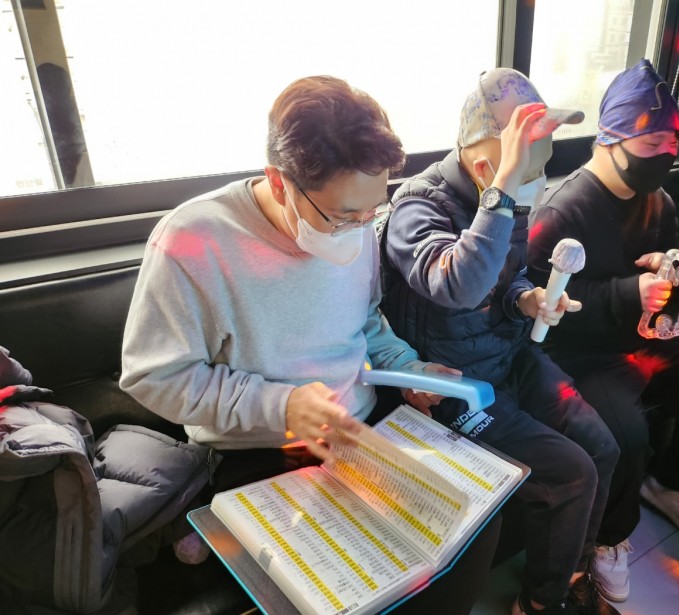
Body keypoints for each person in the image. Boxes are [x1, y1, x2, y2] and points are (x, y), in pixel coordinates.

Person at [119, 75, 500, 615]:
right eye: (343, 216)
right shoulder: (194, 240)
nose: (361, 228)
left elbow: (364, 320)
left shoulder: (359, 221)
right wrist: (281, 405)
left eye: (372, 211)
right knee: (356, 578)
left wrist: (406, 366)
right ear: (279, 183)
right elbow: (153, 377)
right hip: (258, 449)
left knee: (474, 526)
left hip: (361, 428)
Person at [380, 67, 621, 615]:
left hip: (510, 356)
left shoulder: (509, 192)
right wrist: (502, 193)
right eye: (525, 161)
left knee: (602, 447)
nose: (538, 177)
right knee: (571, 472)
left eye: (538, 162)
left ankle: (571, 573)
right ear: (485, 162)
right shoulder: (417, 206)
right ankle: (540, 604)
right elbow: (458, 285)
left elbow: (506, 275)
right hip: (455, 388)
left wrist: (527, 299)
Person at [526, 59, 679, 602]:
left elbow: (676, 270)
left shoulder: (660, 200)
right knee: (627, 435)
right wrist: (630, 292)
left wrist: (677, 281)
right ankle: (610, 539)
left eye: (673, 144)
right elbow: (538, 306)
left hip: (648, 339)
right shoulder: (561, 211)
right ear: (609, 138)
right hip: (582, 351)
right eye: (652, 144)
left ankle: (672, 484)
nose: (665, 156)